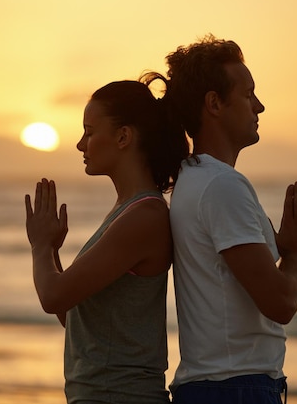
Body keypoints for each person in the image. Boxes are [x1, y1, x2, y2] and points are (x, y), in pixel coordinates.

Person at [153, 34, 297, 403]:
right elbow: (279, 303)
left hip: (218, 385)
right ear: (214, 103)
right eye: (248, 94)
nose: (259, 106)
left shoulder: (194, 178)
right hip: (233, 389)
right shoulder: (221, 185)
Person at [24, 80, 189, 403]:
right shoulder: (125, 211)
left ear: (123, 137)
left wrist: (40, 246)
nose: (79, 144)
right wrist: (53, 253)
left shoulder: (145, 216)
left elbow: (52, 296)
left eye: (89, 131)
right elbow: (75, 317)